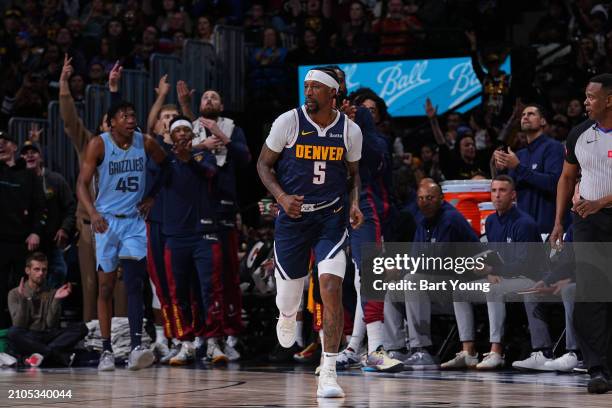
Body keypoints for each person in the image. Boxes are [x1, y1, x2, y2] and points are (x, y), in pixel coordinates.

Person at [257, 67, 363, 398]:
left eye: (315, 87)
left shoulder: (350, 131)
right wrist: (281, 197)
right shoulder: (288, 122)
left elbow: (353, 175)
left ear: (333, 93)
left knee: (330, 286)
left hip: (331, 218)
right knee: (290, 295)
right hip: (293, 220)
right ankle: (287, 314)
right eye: (306, 86)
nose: (309, 92)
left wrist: (355, 203)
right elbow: (263, 165)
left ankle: (328, 371)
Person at [77, 100, 168, 371]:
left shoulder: (146, 142)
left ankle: (136, 347)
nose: (130, 119)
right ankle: (106, 349)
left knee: (134, 283)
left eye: (133, 115)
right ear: (112, 121)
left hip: (134, 224)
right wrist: (92, 214)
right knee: (105, 287)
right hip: (107, 224)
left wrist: (152, 196)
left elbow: (167, 166)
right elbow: (81, 183)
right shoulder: (99, 144)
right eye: (124, 116)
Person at [441, 176, 547, 370]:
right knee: (460, 290)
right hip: (502, 278)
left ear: (513, 195)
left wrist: (493, 271)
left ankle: (497, 351)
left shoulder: (525, 223)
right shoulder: (490, 221)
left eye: (502, 190)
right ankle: (468, 351)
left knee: (493, 289)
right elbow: (493, 255)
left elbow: (527, 265)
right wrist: (488, 271)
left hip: (529, 280)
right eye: (494, 191)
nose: (497, 195)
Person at [550, 73, 612, 394]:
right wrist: (559, 222)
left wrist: (601, 201)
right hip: (586, 221)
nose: (585, 102)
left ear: (609, 100)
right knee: (591, 293)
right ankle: (597, 368)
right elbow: (566, 177)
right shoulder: (578, 133)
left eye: (590, 96)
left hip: (602, 210)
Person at [186, 88, 251, 362]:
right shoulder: (188, 129)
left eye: (214, 97)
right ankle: (202, 335)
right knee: (200, 280)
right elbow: (176, 157)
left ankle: (230, 334)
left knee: (229, 277)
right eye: (205, 97)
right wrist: (201, 145)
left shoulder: (232, 128)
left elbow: (245, 159)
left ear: (222, 104)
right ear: (198, 105)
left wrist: (221, 136)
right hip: (195, 210)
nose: (210, 100)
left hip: (225, 209)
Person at [59, 55, 126, 322]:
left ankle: (123, 334)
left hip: (119, 224)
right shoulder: (88, 143)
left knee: (118, 283)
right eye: (106, 123)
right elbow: (69, 121)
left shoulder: (128, 149)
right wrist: (64, 83)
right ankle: (93, 335)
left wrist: (114, 90)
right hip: (89, 225)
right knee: (90, 285)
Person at [160, 117, 221, 366]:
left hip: (203, 233)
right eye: (178, 130)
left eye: (187, 129)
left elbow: (210, 174)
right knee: (179, 292)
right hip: (175, 236)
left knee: (209, 289)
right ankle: (185, 342)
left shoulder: (204, 156)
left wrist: (191, 155)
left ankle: (213, 341)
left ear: (193, 135)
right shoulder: (164, 160)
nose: (183, 133)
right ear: (171, 136)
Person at [400, 179, 479, 369]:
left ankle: (422, 350)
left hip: (463, 284)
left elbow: (439, 264)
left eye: (429, 198)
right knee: (391, 288)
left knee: (411, 281)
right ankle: (395, 348)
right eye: (420, 198)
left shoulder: (450, 220)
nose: (424, 202)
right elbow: (416, 259)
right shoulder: (422, 220)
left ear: (441, 199)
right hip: (439, 281)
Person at [494, 104, 565, 235]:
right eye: (523, 115)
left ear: (543, 121)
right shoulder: (519, 155)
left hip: (547, 228)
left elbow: (554, 183)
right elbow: (511, 190)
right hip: (522, 227)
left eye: (531, 114)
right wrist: (501, 170)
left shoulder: (554, 147)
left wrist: (518, 167)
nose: (525, 117)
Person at [7, 252, 87, 367]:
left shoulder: (52, 292)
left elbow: (51, 324)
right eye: (36, 269)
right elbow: (19, 324)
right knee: (13, 333)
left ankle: (38, 355)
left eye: (44, 270)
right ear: (27, 270)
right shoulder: (14, 293)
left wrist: (56, 300)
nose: (41, 273)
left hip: (46, 336)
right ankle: (54, 355)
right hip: (28, 337)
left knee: (81, 328)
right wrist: (25, 300)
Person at [0, 132, 45, 331]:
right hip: (0, 241)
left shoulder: (28, 174)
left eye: (5, 142)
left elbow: (40, 206)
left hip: (22, 241)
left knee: (21, 289)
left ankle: (20, 333)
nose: (1, 145)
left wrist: (35, 232)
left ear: (14, 147)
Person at [20, 141, 76, 288]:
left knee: (59, 272)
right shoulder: (19, 180)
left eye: (34, 152)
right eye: (25, 153)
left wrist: (64, 228)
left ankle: (52, 309)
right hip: (26, 243)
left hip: (51, 242)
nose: (29, 155)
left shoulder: (56, 180)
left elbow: (71, 207)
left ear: (41, 158)